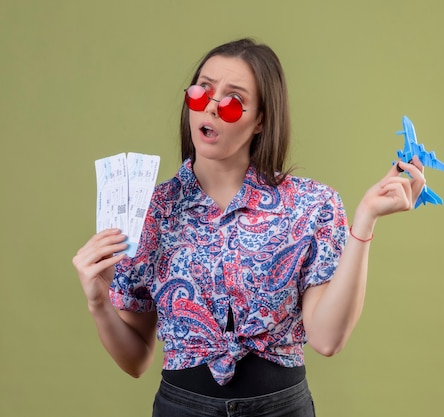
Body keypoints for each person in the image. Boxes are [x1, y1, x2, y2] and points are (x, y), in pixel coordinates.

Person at [72, 38, 425, 417]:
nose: (210, 106)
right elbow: (135, 360)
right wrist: (97, 299)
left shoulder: (312, 205)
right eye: (201, 92)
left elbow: (327, 339)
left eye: (231, 100)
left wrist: (365, 220)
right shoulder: (149, 211)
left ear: (260, 120)